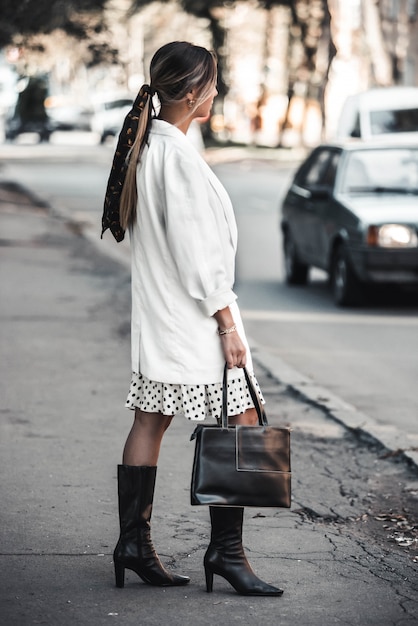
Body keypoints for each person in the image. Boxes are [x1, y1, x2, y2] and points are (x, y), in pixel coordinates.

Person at [105, 41, 283, 597]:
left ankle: (135, 544)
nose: (216, 91)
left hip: (162, 317)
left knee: (150, 422)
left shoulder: (152, 147)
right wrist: (228, 325)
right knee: (243, 422)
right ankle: (226, 554)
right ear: (190, 93)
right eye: (212, 83)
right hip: (194, 321)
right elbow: (199, 257)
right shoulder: (175, 156)